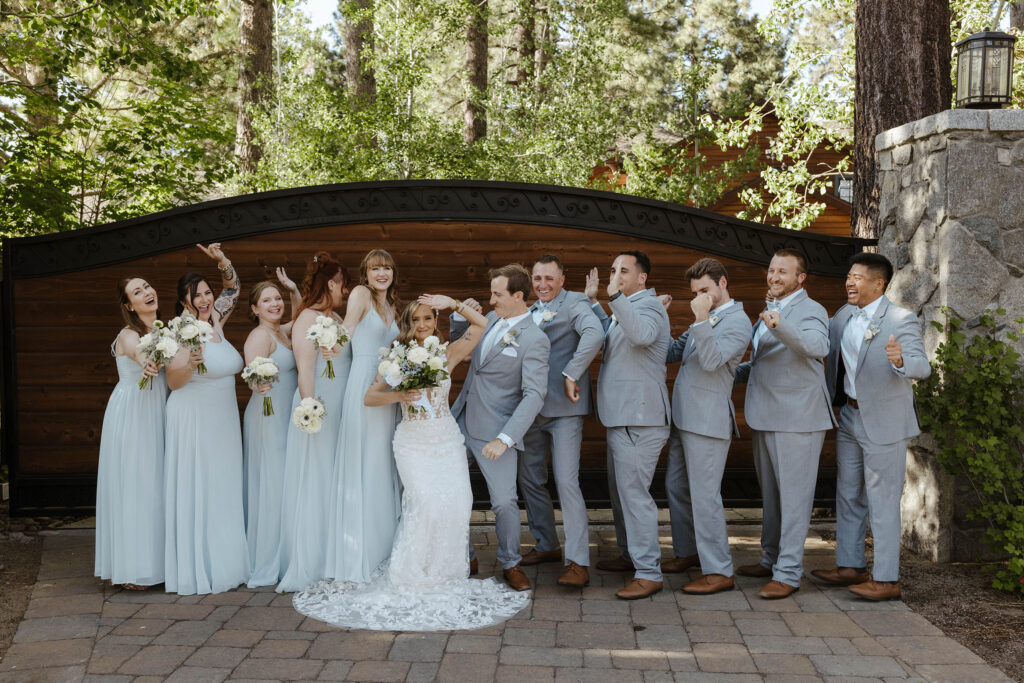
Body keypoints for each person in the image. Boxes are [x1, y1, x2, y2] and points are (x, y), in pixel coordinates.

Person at [292, 296, 531, 630]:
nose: (422, 326)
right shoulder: (396, 358)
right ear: (408, 324)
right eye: (415, 320)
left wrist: (452, 303)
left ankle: (447, 574)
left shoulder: (447, 353)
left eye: (428, 319)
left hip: (446, 439)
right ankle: (412, 575)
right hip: (413, 443)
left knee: (459, 504)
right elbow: (369, 397)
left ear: (435, 321)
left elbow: (482, 324)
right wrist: (400, 395)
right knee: (428, 505)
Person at [812, 253, 930, 600]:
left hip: (884, 422)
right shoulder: (842, 317)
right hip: (848, 417)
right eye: (849, 276)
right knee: (848, 494)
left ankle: (886, 579)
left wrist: (901, 360)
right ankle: (850, 565)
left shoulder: (900, 319)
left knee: (882, 501)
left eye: (858, 277)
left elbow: (921, 366)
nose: (850, 282)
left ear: (879, 283)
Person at [734, 248, 836, 599]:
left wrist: (781, 325)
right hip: (765, 413)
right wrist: (725, 372)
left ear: (800, 278)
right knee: (774, 497)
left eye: (783, 272)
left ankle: (789, 573)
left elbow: (817, 346)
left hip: (798, 418)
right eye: (772, 270)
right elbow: (762, 362)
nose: (774, 277)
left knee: (794, 498)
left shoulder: (812, 310)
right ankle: (770, 558)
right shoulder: (769, 308)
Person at [451, 264, 551, 592]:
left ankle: (511, 562)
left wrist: (505, 438)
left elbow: (534, 395)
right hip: (459, 419)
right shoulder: (490, 320)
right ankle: (464, 557)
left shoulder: (535, 339)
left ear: (518, 296)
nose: (491, 299)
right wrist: (457, 319)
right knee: (451, 494)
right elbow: (461, 352)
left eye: (497, 294)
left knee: (505, 502)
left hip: (496, 431)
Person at [163, 243, 249, 594]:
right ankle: (200, 566)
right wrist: (189, 364)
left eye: (206, 292)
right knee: (201, 484)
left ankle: (228, 561)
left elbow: (234, 289)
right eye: (195, 295)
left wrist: (222, 262)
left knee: (224, 483)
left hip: (224, 418)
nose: (204, 299)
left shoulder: (215, 319)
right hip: (195, 416)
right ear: (183, 300)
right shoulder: (178, 331)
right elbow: (173, 382)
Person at [587, 251, 672, 600]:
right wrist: (595, 303)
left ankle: (649, 572)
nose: (616, 276)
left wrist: (612, 297)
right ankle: (630, 556)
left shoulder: (649, 308)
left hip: (641, 419)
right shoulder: (625, 307)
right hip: (621, 417)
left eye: (623, 270)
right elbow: (611, 339)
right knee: (622, 495)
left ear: (642, 279)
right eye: (612, 270)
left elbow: (639, 336)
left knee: (635, 497)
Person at [664, 259, 752, 595]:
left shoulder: (738, 321)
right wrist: (655, 316)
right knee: (676, 489)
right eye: (695, 292)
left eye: (705, 290)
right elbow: (673, 351)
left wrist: (700, 318)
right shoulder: (705, 318)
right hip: (683, 417)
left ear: (722, 284)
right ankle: (688, 553)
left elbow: (713, 361)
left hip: (708, 421)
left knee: (705, 498)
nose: (699, 296)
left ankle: (719, 570)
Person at [517, 255, 603, 588]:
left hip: (565, 409)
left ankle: (578, 561)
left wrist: (572, 372)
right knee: (529, 478)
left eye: (549, 279)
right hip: (531, 408)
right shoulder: (526, 307)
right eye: (537, 279)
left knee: (566, 483)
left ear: (563, 279)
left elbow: (595, 334)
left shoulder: (576, 303)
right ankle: (547, 544)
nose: (542, 285)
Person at [324, 249, 402, 583]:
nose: (382, 273)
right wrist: (333, 348)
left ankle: (386, 546)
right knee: (365, 460)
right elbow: (349, 329)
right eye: (376, 268)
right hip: (363, 381)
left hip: (387, 383)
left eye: (387, 267)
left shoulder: (394, 305)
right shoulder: (360, 294)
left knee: (384, 461)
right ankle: (361, 554)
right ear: (365, 273)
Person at [277, 252, 351, 593]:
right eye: (344, 284)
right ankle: (313, 558)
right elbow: (305, 368)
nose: (347, 291)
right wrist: (310, 410)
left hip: (339, 407)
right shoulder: (307, 318)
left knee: (333, 479)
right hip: (317, 406)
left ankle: (335, 552)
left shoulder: (334, 317)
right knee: (316, 480)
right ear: (333, 283)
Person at [95, 277, 168, 590]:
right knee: (136, 483)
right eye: (137, 292)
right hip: (133, 412)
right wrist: (149, 363)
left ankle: (159, 563)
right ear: (129, 305)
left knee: (156, 483)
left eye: (147, 287)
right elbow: (142, 357)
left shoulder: (166, 330)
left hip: (159, 409)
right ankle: (132, 568)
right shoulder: (128, 334)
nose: (146, 292)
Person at [242, 272, 301, 588]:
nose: (275, 303)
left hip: (286, 415)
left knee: (283, 480)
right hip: (268, 413)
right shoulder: (260, 336)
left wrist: (292, 290)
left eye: (277, 298)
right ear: (255, 309)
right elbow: (252, 372)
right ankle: (269, 556)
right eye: (267, 300)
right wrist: (257, 381)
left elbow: (302, 315)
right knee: (272, 480)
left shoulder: (283, 332)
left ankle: (287, 550)